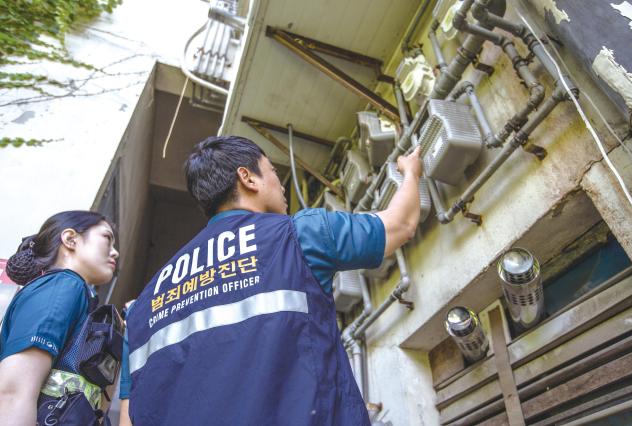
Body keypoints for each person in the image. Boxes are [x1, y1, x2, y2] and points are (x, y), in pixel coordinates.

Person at [120, 135, 423, 425]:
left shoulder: (141, 309)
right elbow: (400, 224)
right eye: (273, 172)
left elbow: (127, 418)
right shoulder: (297, 235)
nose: (280, 184)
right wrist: (410, 173)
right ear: (247, 177)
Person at [0, 210, 120, 425]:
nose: (115, 253)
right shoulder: (64, 286)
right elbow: (13, 392)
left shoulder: (76, 294)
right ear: (70, 239)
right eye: (107, 238)